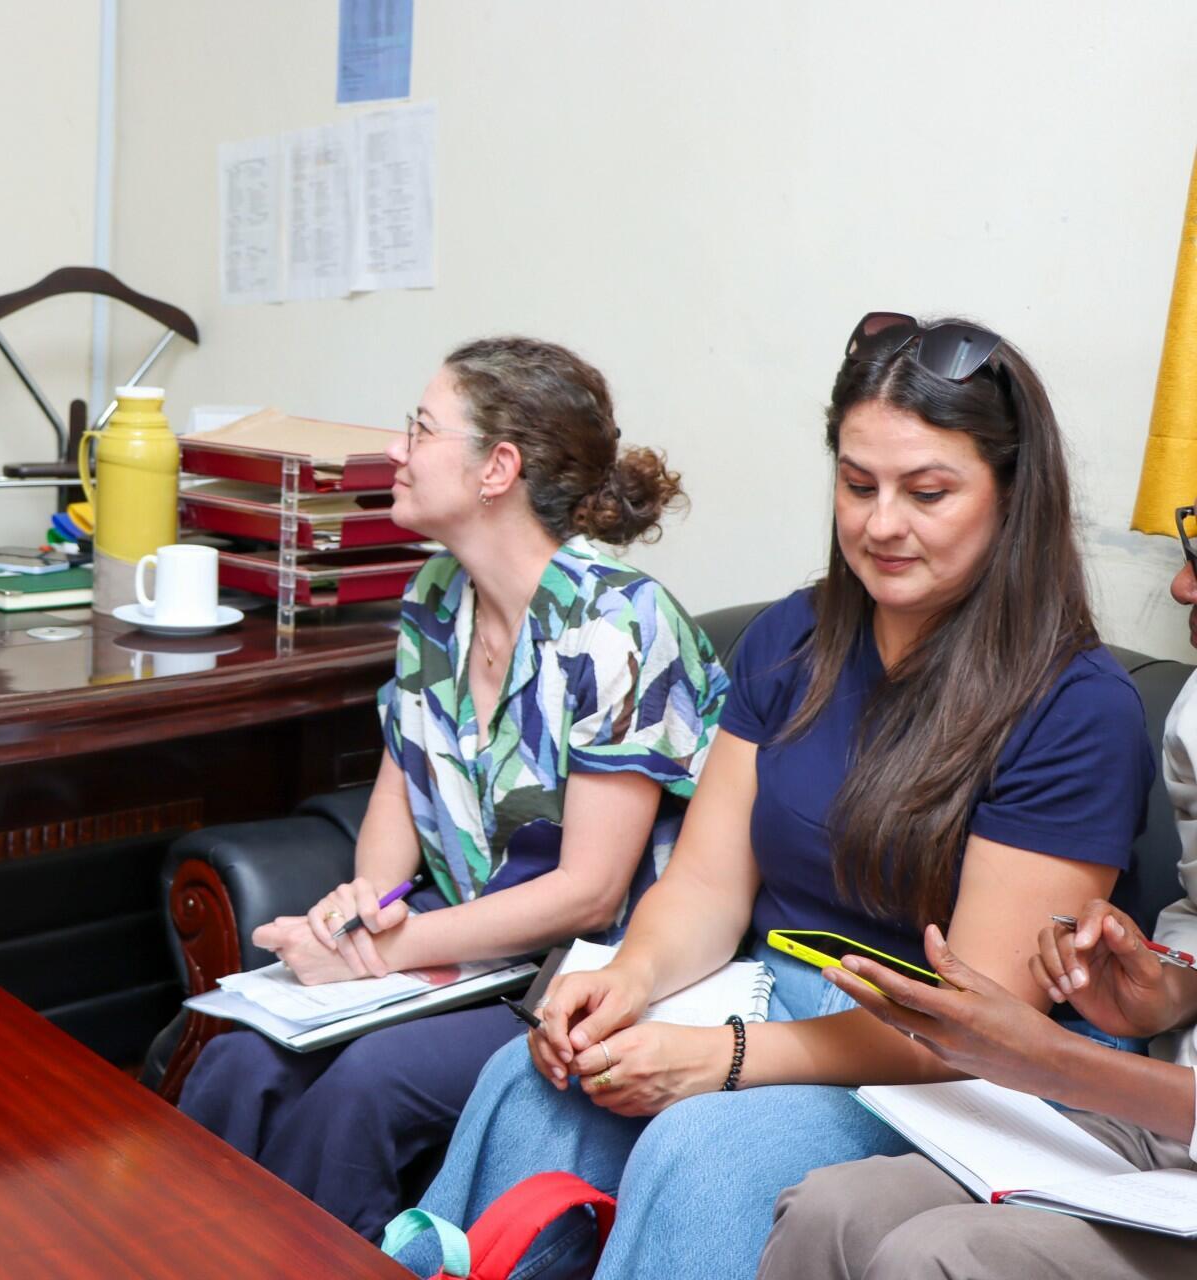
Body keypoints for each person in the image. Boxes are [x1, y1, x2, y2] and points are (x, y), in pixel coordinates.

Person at [389, 314, 1156, 1280]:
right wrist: (627, 981)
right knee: (531, 1084)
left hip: (936, 1066)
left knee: (701, 1151)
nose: (881, 524)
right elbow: (708, 887)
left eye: (928, 492)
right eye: (857, 483)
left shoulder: (1077, 707)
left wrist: (727, 1060)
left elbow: (974, 1026)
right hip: (758, 996)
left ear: (1011, 496)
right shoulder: (793, 640)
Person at [177, 336, 729, 1237]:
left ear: (497, 470)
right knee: (240, 1062)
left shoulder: (620, 622)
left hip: (577, 981)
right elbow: (399, 792)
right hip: (459, 954)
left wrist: (388, 952)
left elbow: (590, 891)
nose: (396, 451)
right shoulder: (437, 594)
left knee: (365, 1087)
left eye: (420, 430)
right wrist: (360, 911)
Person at [756, 557, 1197, 1280]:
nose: (1181, 585)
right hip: (1159, 1125)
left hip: (1168, 1116)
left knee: (934, 1256)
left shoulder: (1075, 702)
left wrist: (1054, 1064)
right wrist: (1169, 988)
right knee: (832, 1209)